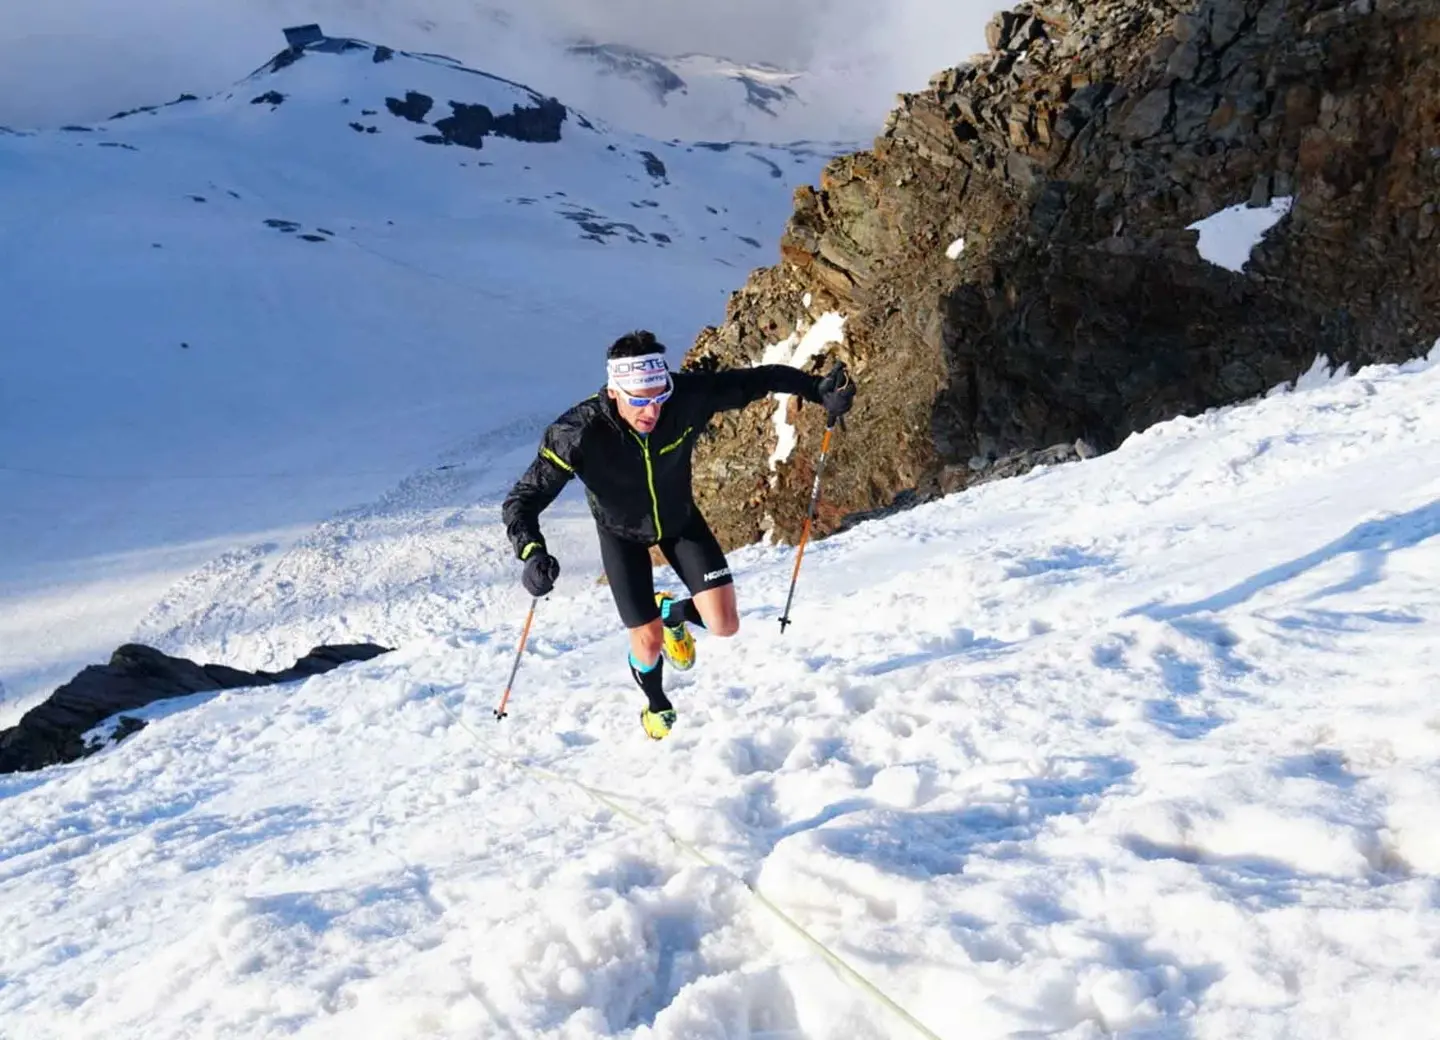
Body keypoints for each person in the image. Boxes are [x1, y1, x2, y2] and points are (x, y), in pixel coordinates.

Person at [501, 330, 856, 739]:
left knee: (724, 624)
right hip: (621, 534)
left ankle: (674, 614)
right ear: (615, 391)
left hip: (679, 520)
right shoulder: (576, 433)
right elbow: (523, 500)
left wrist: (815, 389)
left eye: (659, 394)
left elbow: (755, 380)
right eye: (639, 399)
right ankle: (656, 704)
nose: (651, 409)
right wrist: (531, 553)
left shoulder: (685, 398)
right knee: (647, 641)